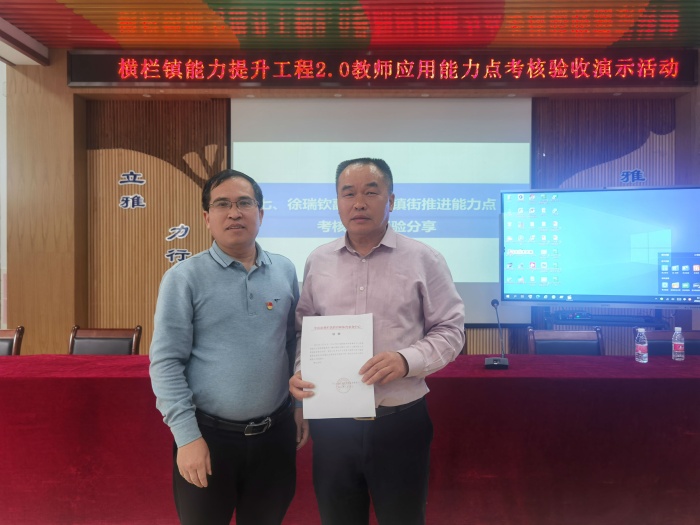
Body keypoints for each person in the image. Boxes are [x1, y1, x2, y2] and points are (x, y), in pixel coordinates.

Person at [290, 158, 465, 525]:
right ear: (337, 202)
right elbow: (304, 329)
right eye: (348, 193)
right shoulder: (318, 261)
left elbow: (450, 329)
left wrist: (406, 360)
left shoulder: (424, 259)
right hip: (333, 426)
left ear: (391, 200)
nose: (359, 203)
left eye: (371, 192)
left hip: (399, 423)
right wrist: (304, 372)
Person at [150, 168, 307, 525]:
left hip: (275, 437)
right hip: (207, 438)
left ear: (260, 213)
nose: (234, 213)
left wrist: (300, 407)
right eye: (222, 204)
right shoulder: (183, 278)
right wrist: (186, 437)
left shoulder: (284, 270)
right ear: (207, 218)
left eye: (244, 203)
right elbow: (166, 363)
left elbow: (293, 344)